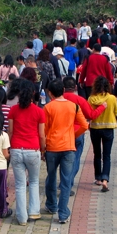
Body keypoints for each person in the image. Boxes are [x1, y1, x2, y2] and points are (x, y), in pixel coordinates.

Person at [43, 80, 88, 224]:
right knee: (66, 180)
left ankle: (51, 205)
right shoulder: (74, 106)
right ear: (63, 90)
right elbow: (84, 125)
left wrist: (42, 148)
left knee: (51, 176)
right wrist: (73, 135)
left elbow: (44, 130)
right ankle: (63, 213)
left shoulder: (48, 107)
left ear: (50, 93)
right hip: (68, 147)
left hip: (52, 146)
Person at [8, 81, 45, 225]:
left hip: (16, 148)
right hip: (33, 149)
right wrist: (43, 150)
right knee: (34, 182)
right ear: (33, 95)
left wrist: (9, 148)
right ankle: (34, 212)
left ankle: (21, 217)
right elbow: (42, 135)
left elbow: (10, 131)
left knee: (19, 184)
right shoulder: (39, 112)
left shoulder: (13, 110)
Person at [61, 77, 106, 194]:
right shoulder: (80, 100)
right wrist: (102, 107)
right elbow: (91, 114)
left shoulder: (57, 100)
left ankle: (63, 183)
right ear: (75, 87)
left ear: (63, 87)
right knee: (75, 160)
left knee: (62, 160)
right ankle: (68, 185)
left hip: (60, 134)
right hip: (77, 133)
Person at [88, 76, 117, 192]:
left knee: (97, 154)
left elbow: (89, 113)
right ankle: (105, 179)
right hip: (108, 128)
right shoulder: (112, 98)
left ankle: (98, 178)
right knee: (107, 155)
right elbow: (116, 112)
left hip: (95, 128)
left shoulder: (91, 99)